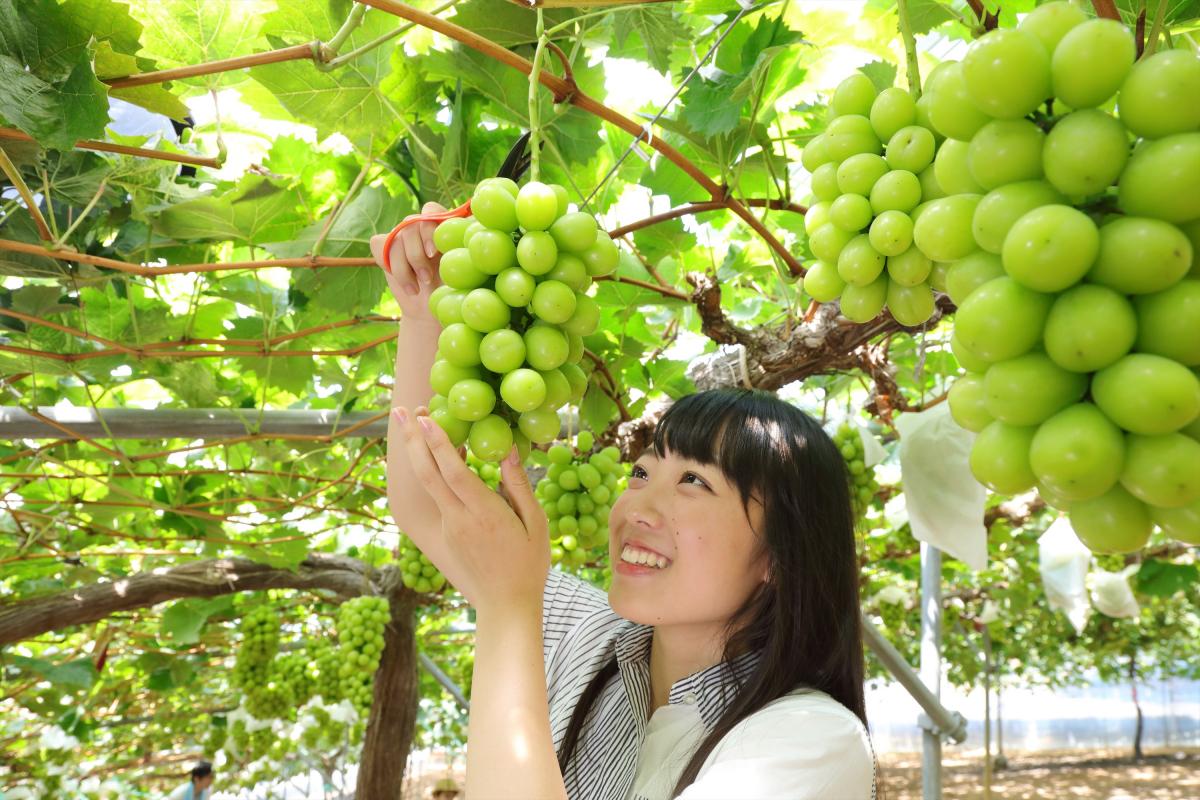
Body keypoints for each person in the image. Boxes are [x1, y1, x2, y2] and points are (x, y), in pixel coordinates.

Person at [371, 208, 875, 799]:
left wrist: (508, 607)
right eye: (641, 472)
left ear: (780, 556)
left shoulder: (809, 741)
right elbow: (426, 510)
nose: (638, 506)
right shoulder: (589, 637)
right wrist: (423, 307)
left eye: (694, 483)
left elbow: (506, 597)